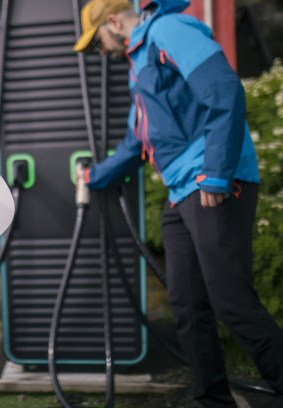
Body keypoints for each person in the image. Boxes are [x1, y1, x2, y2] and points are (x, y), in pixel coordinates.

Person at [73, 0, 283, 407]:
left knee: (232, 301)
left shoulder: (170, 32)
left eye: (96, 41)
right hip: (181, 191)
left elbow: (223, 89)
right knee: (187, 304)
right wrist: (93, 176)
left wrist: (217, 172)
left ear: (114, 21)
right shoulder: (141, 64)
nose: (99, 52)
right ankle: (213, 400)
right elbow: (138, 142)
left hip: (213, 181)